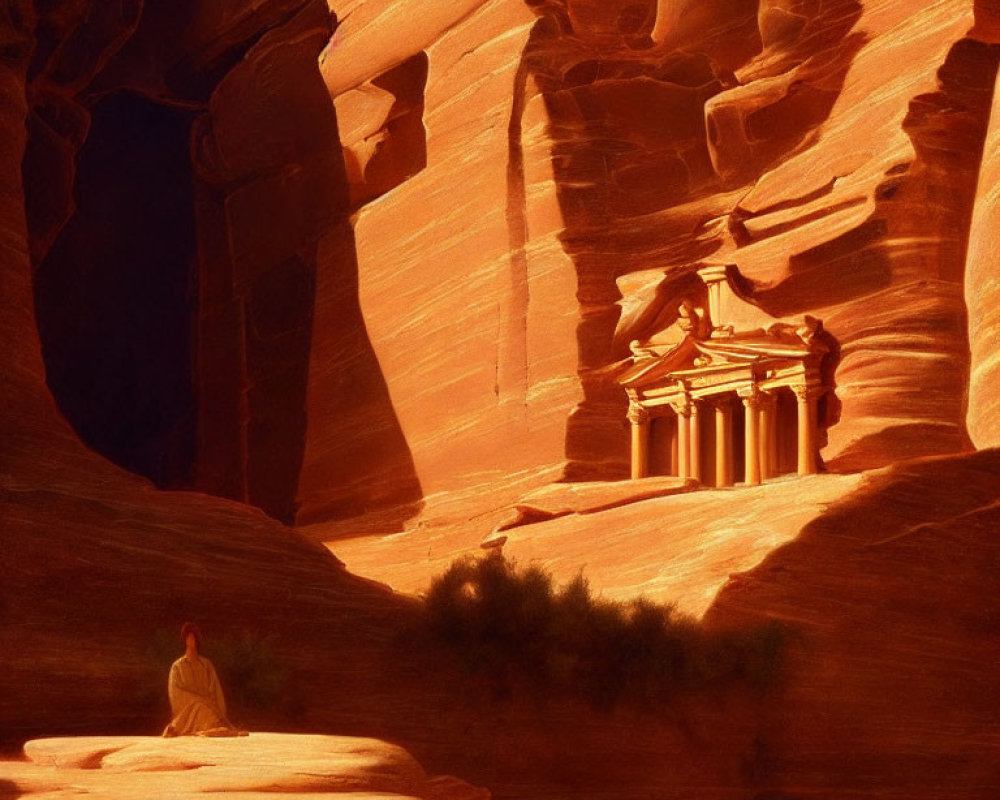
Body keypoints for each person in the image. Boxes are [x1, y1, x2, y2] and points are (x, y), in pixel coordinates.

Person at [162, 623, 247, 737]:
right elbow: (176, 694)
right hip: (188, 712)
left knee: (209, 713)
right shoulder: (177, 666)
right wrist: (198, 700)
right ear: (185, 640)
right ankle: (211, 728)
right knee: (201, 708)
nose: (192, 641)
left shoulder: (206, 665)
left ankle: (217, 726)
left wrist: (216, 708)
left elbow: (215, 690)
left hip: (209, 707)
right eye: (189, 638)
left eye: (194, 638)